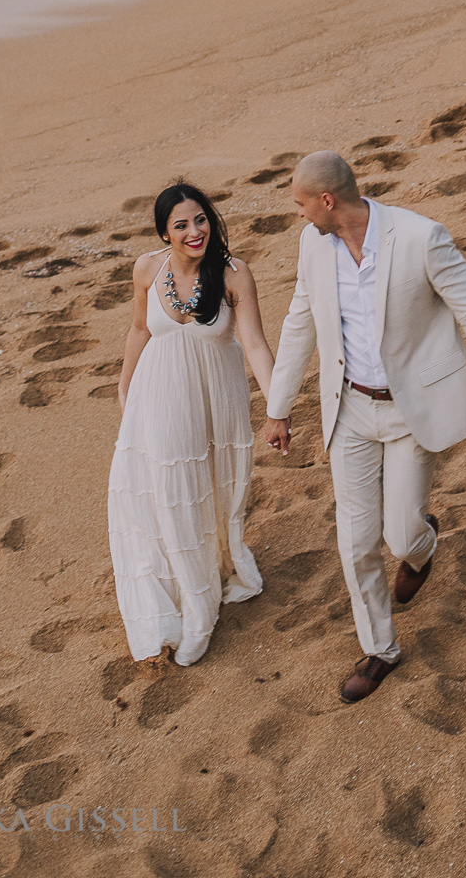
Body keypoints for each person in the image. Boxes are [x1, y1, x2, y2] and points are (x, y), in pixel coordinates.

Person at [264, 151, 466, 703]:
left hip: (411, 411)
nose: (299, 213)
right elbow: (300, 320)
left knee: (399, 534)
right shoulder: (315, 244)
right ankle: (380, 649)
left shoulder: (420, 238)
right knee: (357, 541)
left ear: (327, 201)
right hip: (350, 411)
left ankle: (421, 546)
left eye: (301, 203)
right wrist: (278, 407)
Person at [108, 181, 276, 667]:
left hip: (215, 399)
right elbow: (140, 328)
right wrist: (124, 385)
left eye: (200, 219)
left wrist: (277, 405)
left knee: (214, 487)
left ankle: (214, 564)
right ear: (165, 233)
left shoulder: (233, 274)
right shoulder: (146, 269)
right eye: (181, 225)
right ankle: (184, 596)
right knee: (168, 486)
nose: (194, 231)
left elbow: (256, 345)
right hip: (158, 396)